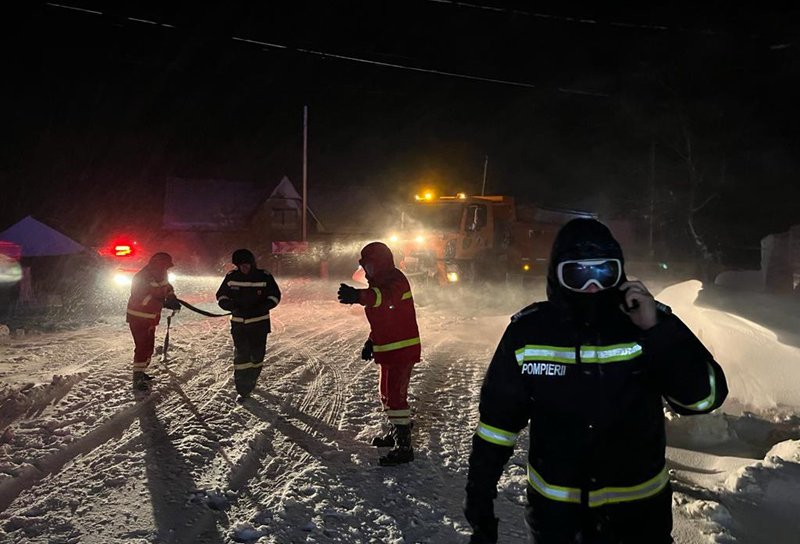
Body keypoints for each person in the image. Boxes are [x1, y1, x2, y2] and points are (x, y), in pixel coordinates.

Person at [464, 218, 728, 543]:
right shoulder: (529, 334)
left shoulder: (648, 322)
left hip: (640, 518)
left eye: (603, 273)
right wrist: (479, 497)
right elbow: (497, 426)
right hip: (557, 520)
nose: (591, 287)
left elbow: (703, 398)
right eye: (577, 274)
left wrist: (657, 330)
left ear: (620, 274)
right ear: (557, 276)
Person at [338, 241, 421, 466]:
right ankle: (396, 434)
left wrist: (357, 296)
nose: (367, 270)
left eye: (370, 265)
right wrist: (371, 341)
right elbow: (384, 319)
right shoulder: (381, 282)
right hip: (388, 349)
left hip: (401, 349)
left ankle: (405, 447)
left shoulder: (396, 281)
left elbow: (382, 297)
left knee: (396, 397)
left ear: (381, 263)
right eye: (366, 266)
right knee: (386, 394)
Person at [216, 249, 281, 402]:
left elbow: (275, 296)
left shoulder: (264, 276)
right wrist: (228, 305)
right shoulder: (231, 277)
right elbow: (221, 295)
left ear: (252, 263)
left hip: (259, 324)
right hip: (239, 324)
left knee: (256, 356)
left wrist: (263, 307)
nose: (244, 268)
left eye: (246, 265)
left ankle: (252, 379)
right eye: (240, 265)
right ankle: (243, 389)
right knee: (241, 355)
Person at [126, 252, 181, 391]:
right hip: (138, 317)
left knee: (149, 347)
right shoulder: (141, 277)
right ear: (159, 264)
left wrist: (172, 298)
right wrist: (163, 303)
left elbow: (167, 288)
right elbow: (141, 299)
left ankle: (141, 372)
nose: (166, 269)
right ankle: (137, 378)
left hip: (150, 317)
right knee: (142, 347)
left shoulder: (161, 274)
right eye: (165, 266)